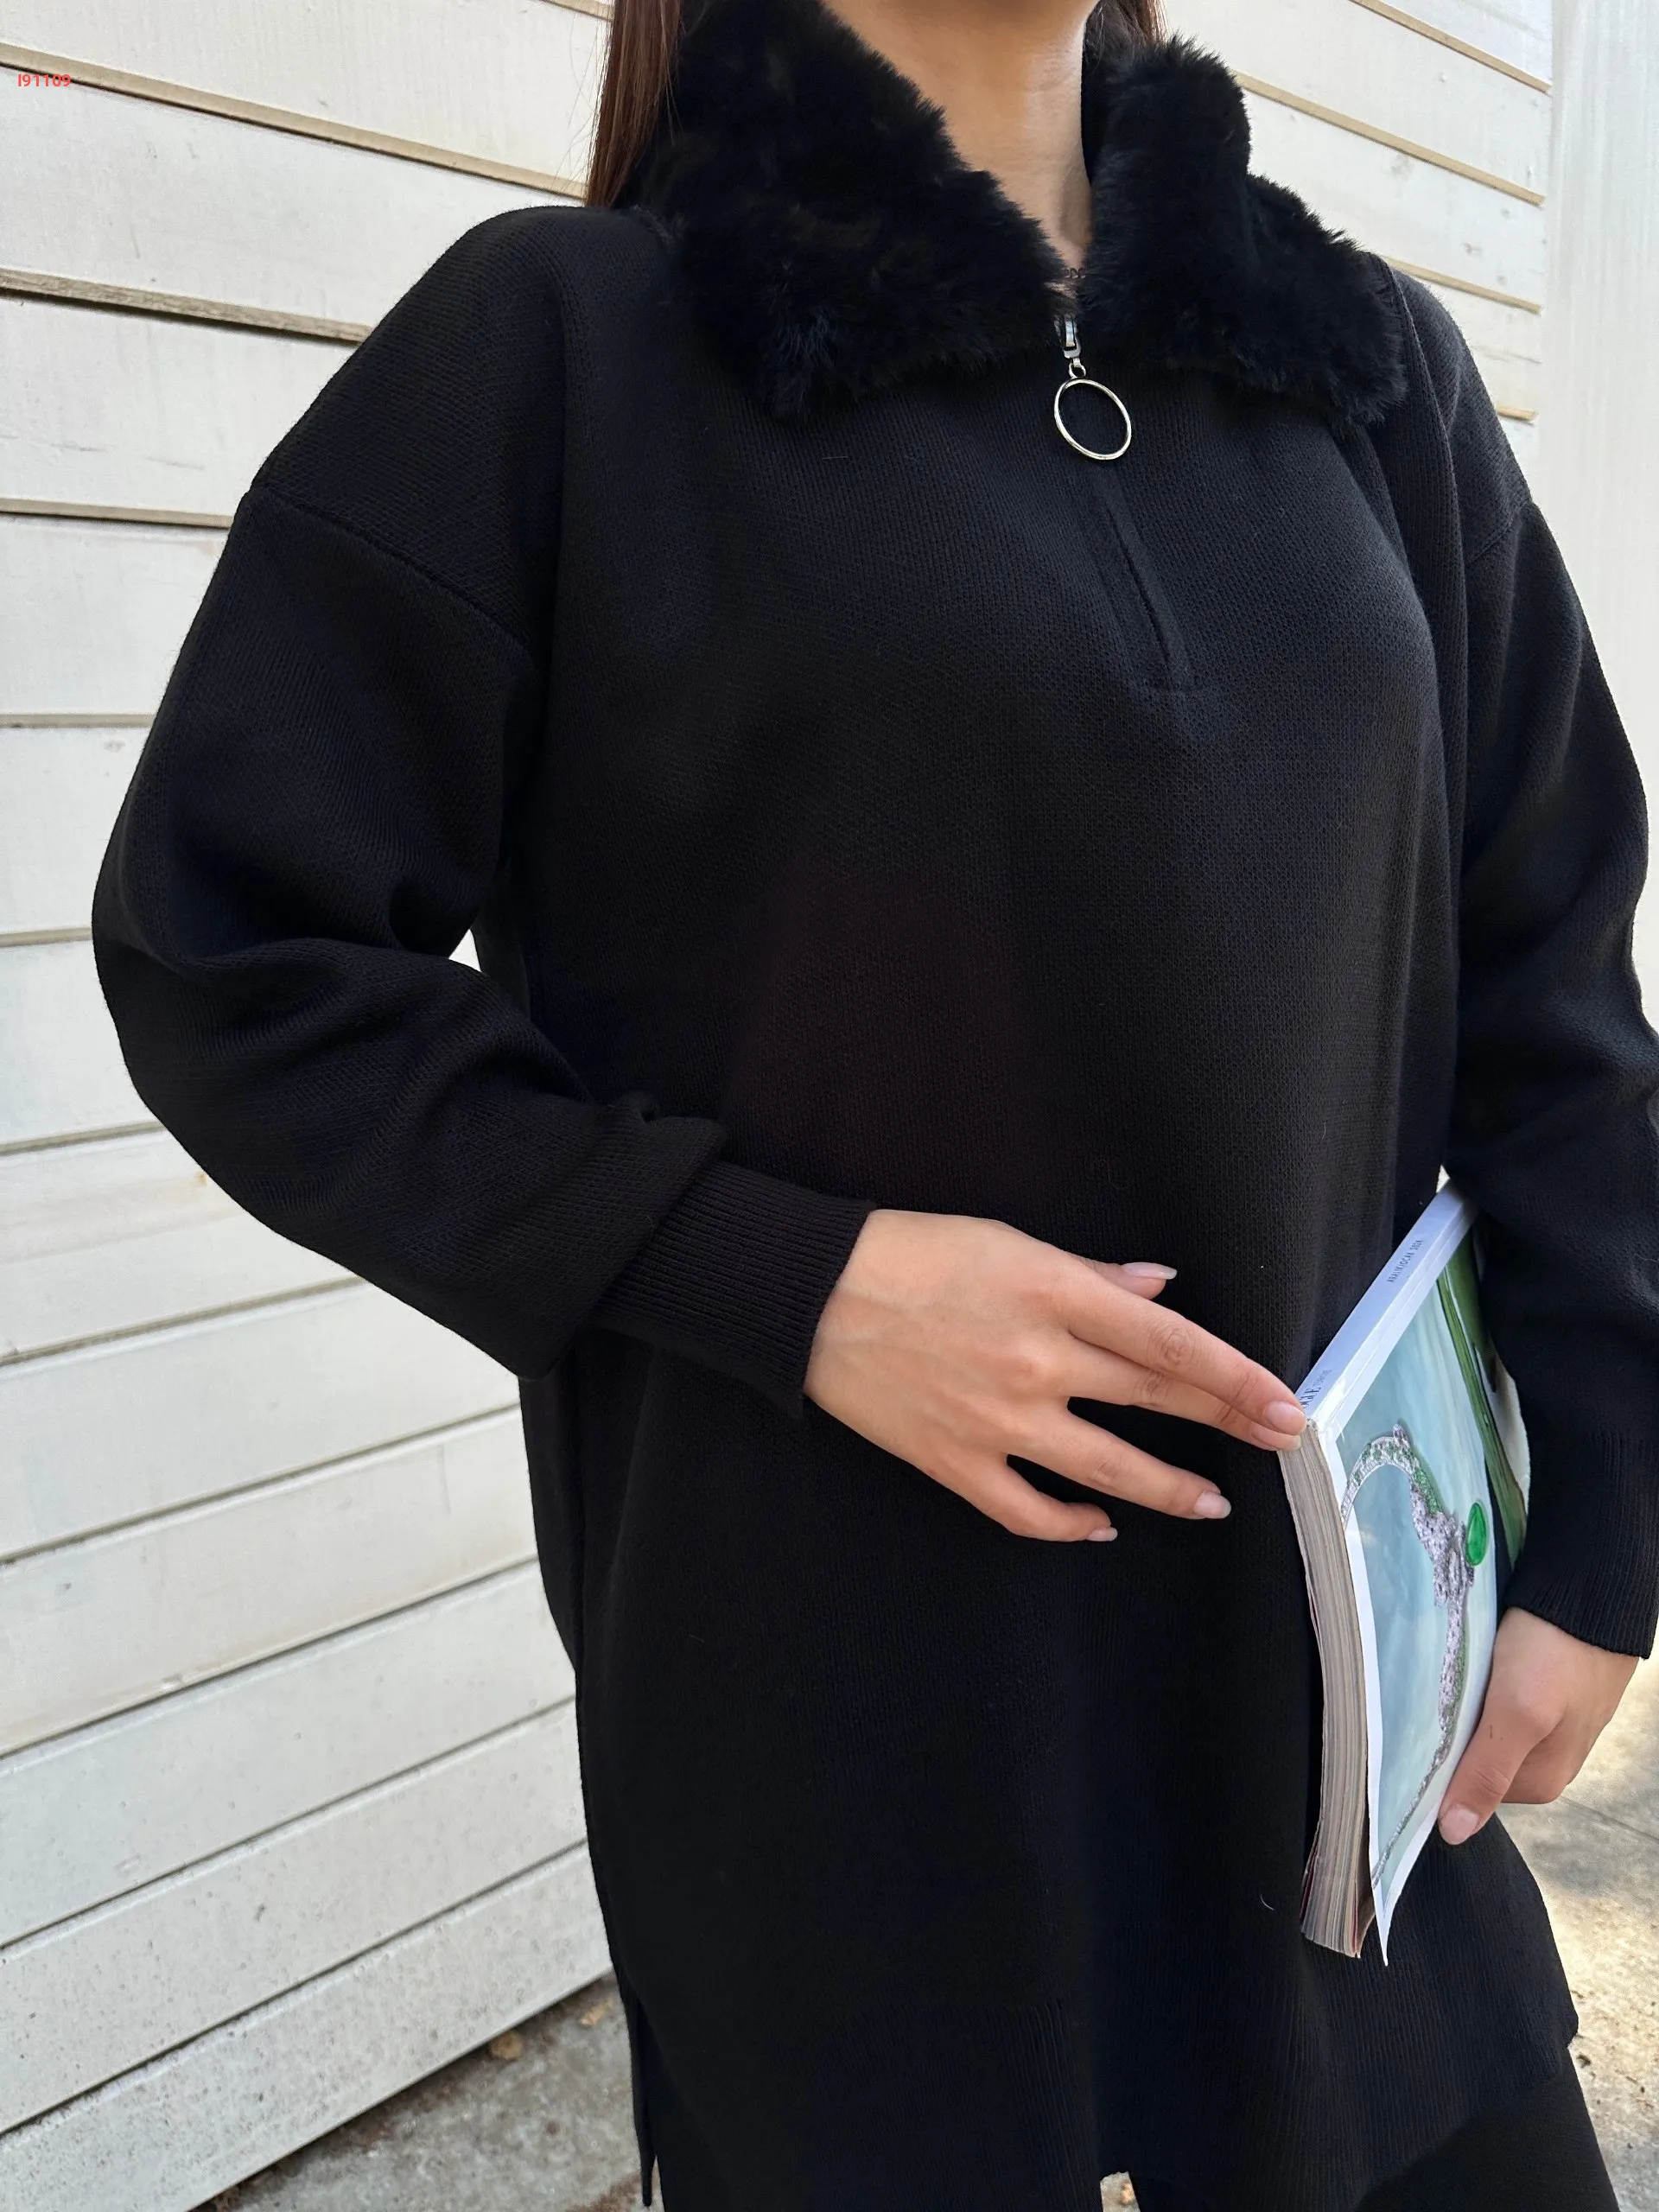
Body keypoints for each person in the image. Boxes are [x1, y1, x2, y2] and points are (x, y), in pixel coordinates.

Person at [91, 0, 1657, 2205]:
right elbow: (233, 954)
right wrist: (782, 1274)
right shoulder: (563, 352)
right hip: (850, 1757)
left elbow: (1555, 967)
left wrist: (1600, 1533)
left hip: (1347, 1738)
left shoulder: (1363, 366)